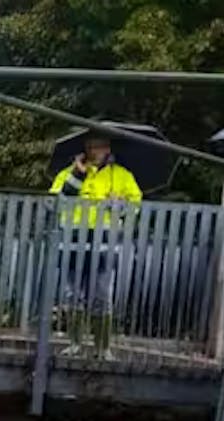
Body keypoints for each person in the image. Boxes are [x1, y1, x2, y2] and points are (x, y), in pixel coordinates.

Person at [49, 132, 143, 358]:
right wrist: (76, 176)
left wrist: (119, 205)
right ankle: (75, 344)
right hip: (73, 238)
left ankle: (103, 348)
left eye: (101, 146)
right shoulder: (67, 173)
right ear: (86, 149)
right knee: (73, 295)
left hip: (104, 239)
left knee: (102, 294)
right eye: (92, 147)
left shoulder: (122, 175)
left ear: (108, 149)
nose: (96, 151)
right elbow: (55, 204)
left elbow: (136, 204)